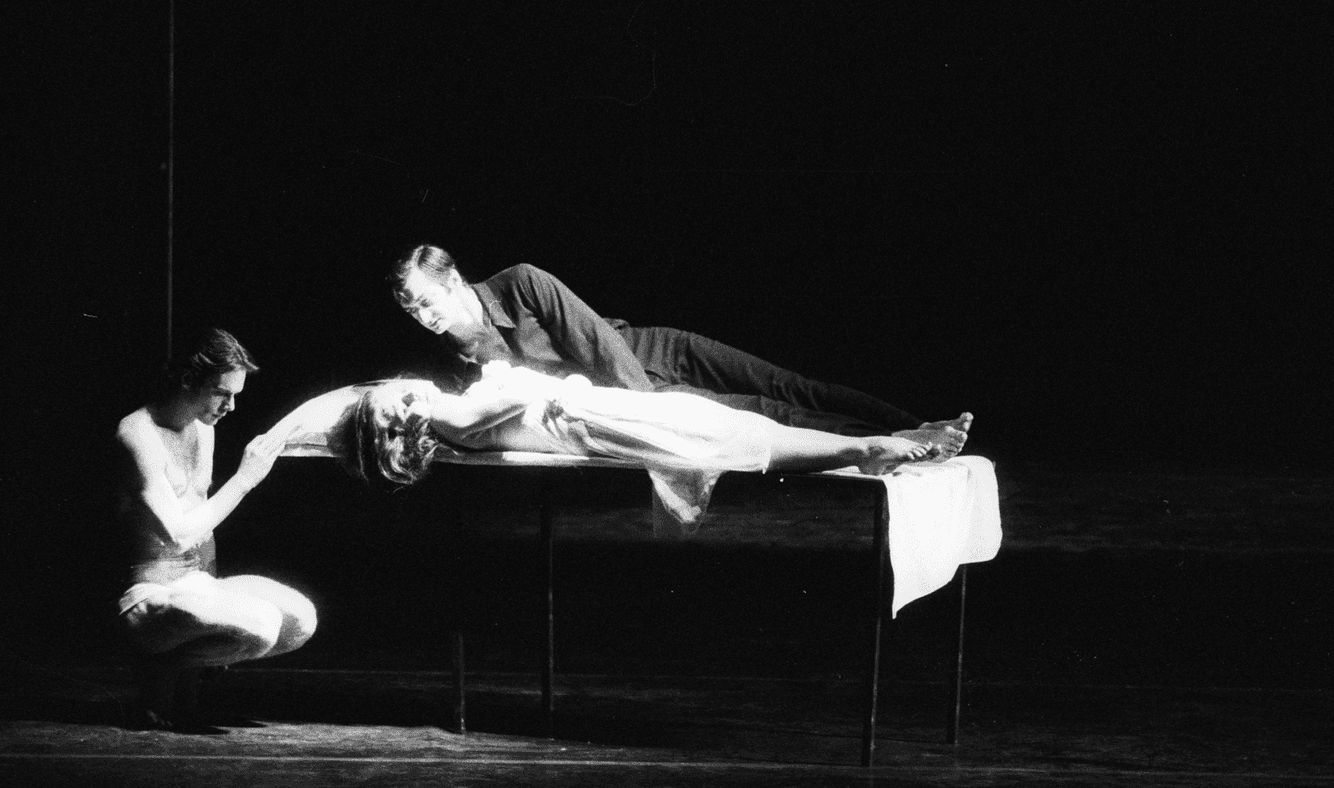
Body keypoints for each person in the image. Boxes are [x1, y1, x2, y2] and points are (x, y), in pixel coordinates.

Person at [389, 245, 974, 448]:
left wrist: (651, 409)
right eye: (412, 311)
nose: (424, 317)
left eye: (427, 301)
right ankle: (898, 442)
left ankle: (916, 422)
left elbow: (596, 343)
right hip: (629, 399)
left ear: (453, 280)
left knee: (789, 385)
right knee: (767, 415)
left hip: (650, 354)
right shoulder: (459, 359)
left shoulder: (520, 281)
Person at [321, 362, 967, 533]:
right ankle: (871, 447)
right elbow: (520, 393)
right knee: (733, 437)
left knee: (735, 431)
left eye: (394, 391)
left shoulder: (447, 413)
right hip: (598, 418)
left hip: (595, 417)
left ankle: (877, 444)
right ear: (405, 429)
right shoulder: (452, 410)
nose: (408, 394)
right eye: (397, 409)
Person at [114, 328, 316, 731]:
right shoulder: (136, 432)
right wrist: (244, 480)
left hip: (197, 587)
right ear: (189, 380)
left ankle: (172, 666)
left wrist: (216, 601)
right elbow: (179, 534)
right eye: (223, 393)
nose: (231, 406)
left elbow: (204, 527)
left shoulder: (203, 429)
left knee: (301, 621)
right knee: (258, 622)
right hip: (149, 596)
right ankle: (157, 663)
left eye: (236, 395)